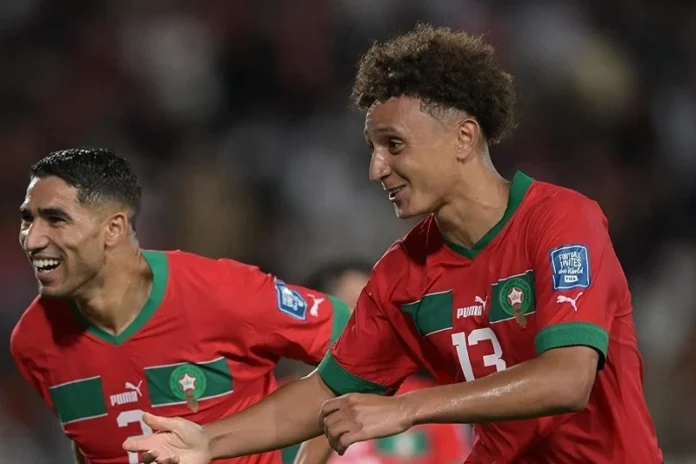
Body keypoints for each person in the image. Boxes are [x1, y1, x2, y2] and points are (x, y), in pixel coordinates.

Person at [123, 24, 663, 464]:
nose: (376, 167)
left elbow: (568, 378)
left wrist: (408, 408)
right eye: (372, 147)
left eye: (394, 145)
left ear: (463, 138)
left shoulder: (561, 221)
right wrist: (208, 441)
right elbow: (324, 392)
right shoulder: (403, 275)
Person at [10, 148, 351, 464]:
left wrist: (308, 457)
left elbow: (351, 338)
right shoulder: (33, 342)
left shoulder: (223, 294)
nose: (32, 239)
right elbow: (90, 445)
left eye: (55, 220)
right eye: (28, 219)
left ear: (113, 229)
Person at [289, 260, 471, 464]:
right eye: (355, 309)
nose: (371, 322)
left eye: (378, 309)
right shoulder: (276, 409)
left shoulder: (426, 404)